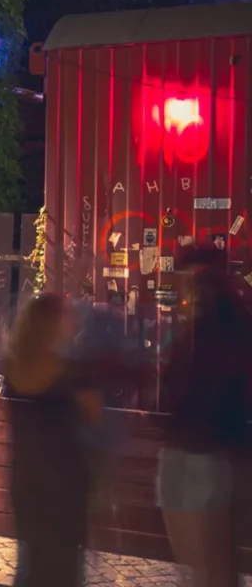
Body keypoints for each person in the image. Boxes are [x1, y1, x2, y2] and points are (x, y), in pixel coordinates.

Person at [156, 248, 251, 587]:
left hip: (203, 453)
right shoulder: (217, 326)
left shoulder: (215, 329)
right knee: (207, 566)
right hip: (200, 452)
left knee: (207, 566)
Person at [6, 292, 90, 587]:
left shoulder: (14, 367)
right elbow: (93, 416)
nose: (74, 320)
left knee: (31, 567)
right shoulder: (67, 372)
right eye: (66, 315)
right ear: (51, 324)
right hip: (62, 488)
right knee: (62, 572)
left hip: (28, 483)